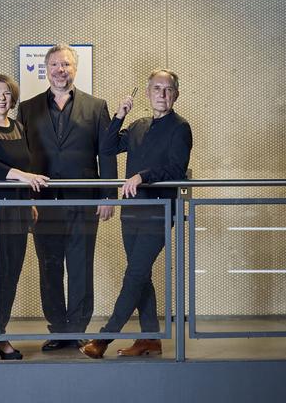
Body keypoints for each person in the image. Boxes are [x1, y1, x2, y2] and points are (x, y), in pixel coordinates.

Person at [81, 69, 192, 359]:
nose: (162, 94)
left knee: (134, 275)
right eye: (157, 88)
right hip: (131, 212)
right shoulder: (138, 125)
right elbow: (106, 147)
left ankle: (104, 338)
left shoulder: (180, 128)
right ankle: (150, 339)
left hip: (159, 212)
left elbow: (176, 169)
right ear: (147, 93)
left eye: (168, 89)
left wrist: (142, 176)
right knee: (141, 275)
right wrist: (119, 115)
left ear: (176, 95)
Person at [16, 44, 117, 351]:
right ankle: (58, 329)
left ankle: (77, 328)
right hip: (42, 201)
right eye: (55, 65)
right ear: (46, 69)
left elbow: (106, 153)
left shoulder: (96, 106)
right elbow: (21, 156)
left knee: (80, 265)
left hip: (83, 200)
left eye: (66, 65)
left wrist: (108, 195)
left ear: (75, 69)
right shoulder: (28, 108)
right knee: (49, 266)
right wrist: (25, 198)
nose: (61, 70)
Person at [0, 74, 49, 360]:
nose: (1, 98)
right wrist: (24, 176)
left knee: (10, 275)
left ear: (13, 98)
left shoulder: (18, 127)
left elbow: (26, 162)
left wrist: (29, 201)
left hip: (17, 209)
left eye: (6, 93)